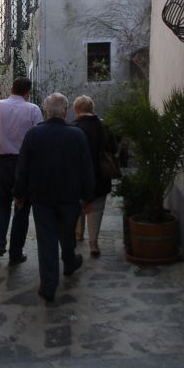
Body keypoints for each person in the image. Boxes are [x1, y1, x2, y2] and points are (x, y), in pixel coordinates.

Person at [13, 92, 94, 303]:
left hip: (42, 197)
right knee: (67, 233)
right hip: (70, 197)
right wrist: (88, 197)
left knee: (47, 239)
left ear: (46, 112)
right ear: (65, 112)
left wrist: (19, 194)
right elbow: (86, 169)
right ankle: (69, 261)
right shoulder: (77, 135)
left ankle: (49, 286)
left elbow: (23, 168)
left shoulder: (33, 134)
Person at [0, 76, 43, 263]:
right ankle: (16, 252)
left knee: (2, 202)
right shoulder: (33, 110)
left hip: (1, 163)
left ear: (11, 89)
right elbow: (38, 141)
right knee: (22, 207)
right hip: (24, 165)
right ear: (28, 93)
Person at [73, 95, 117, 258]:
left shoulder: (73, 127)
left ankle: (78, 233)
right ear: (92, 109)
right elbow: (113, 149)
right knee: (96, 208)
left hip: (78, 175)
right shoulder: (103, 126)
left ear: (76, 110)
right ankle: (93, 243)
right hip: (100, 174)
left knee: (77, 204)